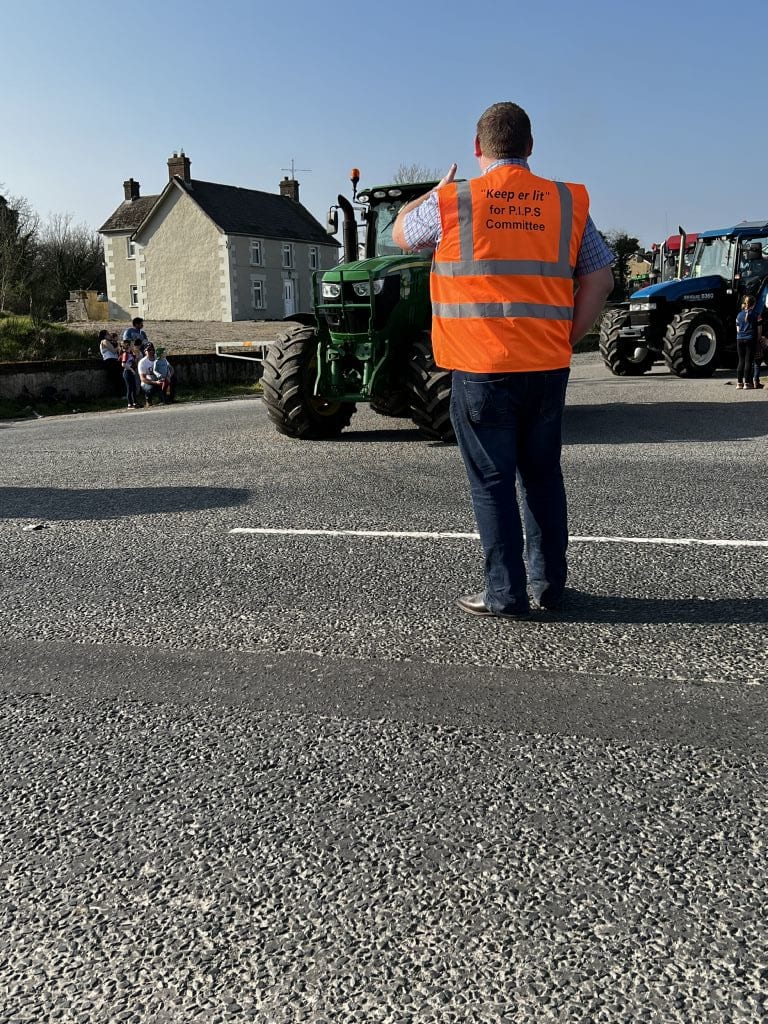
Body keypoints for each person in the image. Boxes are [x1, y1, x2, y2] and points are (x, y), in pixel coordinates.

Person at [393, 101, 614, 619]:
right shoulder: (565, 201)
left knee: (493, 483)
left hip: (481, 369)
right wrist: (563, 339)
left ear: (477, 148)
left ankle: (505, 594)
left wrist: (431, 191)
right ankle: (548, 586)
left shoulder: (453, 200)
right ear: (530, 146)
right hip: (546, 366)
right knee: (543, 477)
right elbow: (600, 279)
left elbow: (400, 235)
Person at [735, 295, 760, 390]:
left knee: (741, 361)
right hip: (750, 339)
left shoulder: (739, 315)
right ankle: (747, 383)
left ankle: (739, 383)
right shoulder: (757, 315)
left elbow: (737, 330)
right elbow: (759, 331)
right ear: (754, 304)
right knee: (748, 361)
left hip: (739, 339)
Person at [98, 328, 122, 396]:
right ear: (104, 336)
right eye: (108, 334)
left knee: (117, 377)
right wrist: (119, 346)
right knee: (115, 378)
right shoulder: (104, 341)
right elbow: (113, 351)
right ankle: (117, 394)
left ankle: (118, 394)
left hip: (114, 360)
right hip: (110, 361)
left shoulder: (109, 342)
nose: (110, 335)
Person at [119, 339, 140, 409]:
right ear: (128, 346)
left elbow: (134, 361)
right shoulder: (125, 354)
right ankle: (129, 404)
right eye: (131, 345)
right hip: (127, 372)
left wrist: (136, 355)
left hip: (131, 372)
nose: (132, 346)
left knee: (134, 388)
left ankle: (135, 403)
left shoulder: (130, 354)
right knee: (129, 388)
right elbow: (123, 364)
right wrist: (131, 369)